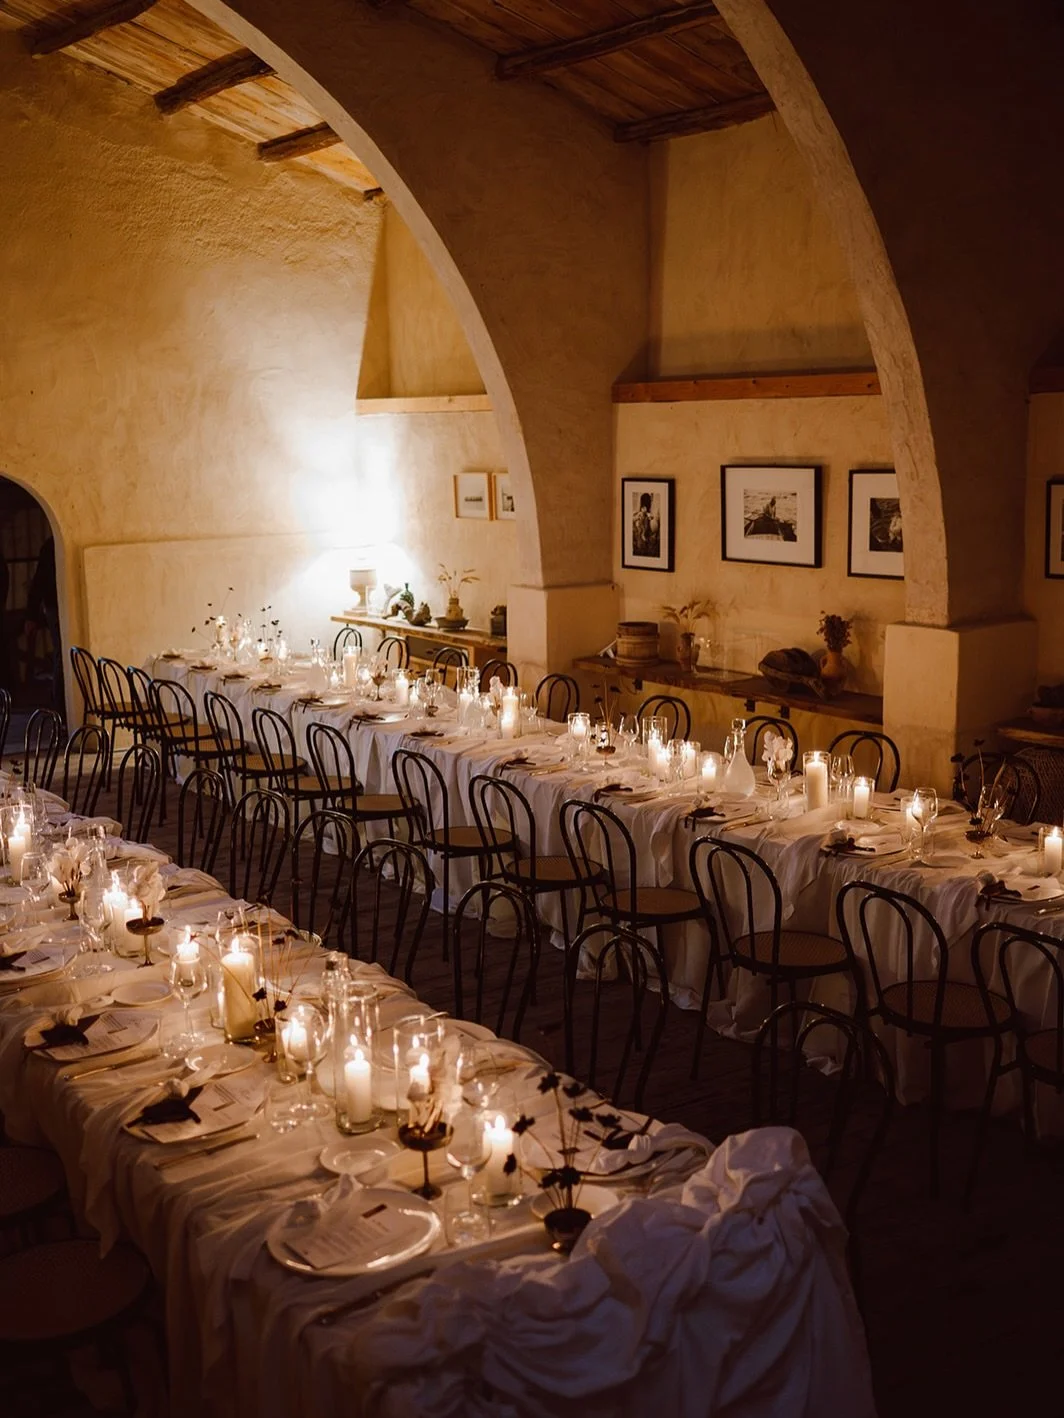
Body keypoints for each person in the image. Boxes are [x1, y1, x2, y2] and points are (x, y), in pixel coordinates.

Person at [24, 536, 62, 708]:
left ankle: (60, 702)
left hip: (54, 605)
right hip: (56, 605)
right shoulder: (52, 546)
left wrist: (32, 614)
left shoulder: (51, 545)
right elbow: (40, 581)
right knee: (62, 655)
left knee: (61, 655)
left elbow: (39, 581)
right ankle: (61, 702)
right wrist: (32, 615)